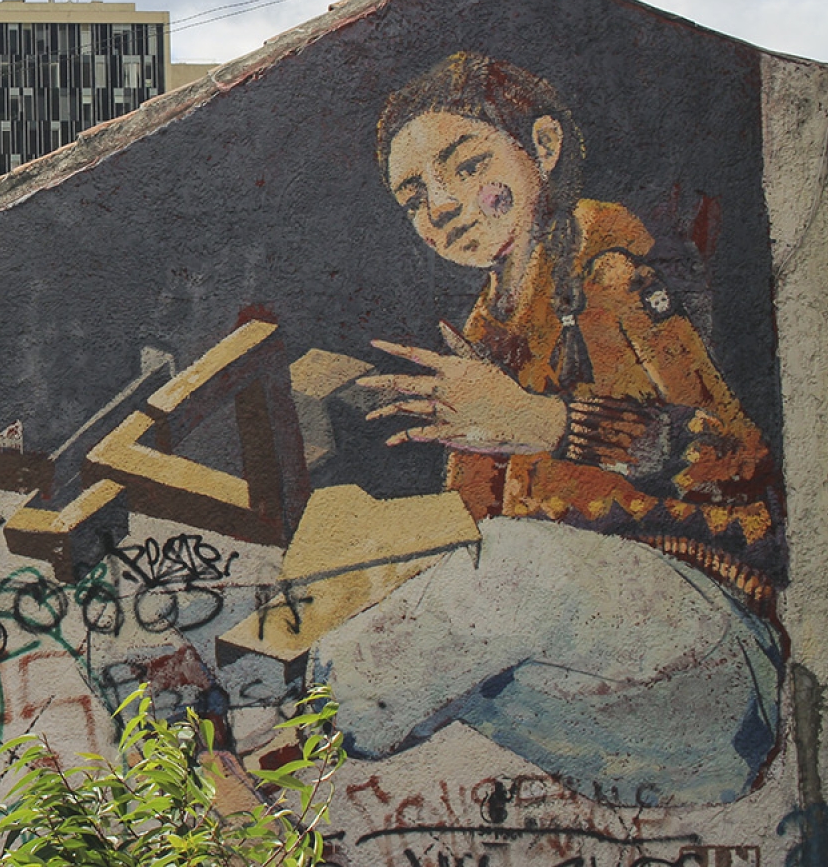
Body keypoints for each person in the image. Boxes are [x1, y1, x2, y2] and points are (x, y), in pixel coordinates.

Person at [311, 52, 784, 807]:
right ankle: (284, 732)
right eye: (414, 197)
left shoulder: (617, 279)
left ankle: (301, 729)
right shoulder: (483, 336)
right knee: (422, 595)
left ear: (544, 146)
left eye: (467, 165)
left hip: (714, 671)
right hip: (600, 709)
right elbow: (474, 547)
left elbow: (741, 460)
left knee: (516, 560)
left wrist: (542, 422)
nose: (442, 206)